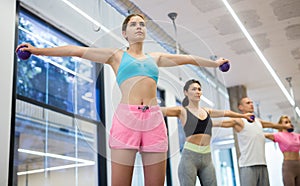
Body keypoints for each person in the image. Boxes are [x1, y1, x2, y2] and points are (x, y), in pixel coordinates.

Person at [16, 14, 229, 186]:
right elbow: (76, 51)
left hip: (154, 121)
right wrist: (37, 51)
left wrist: (215, 64)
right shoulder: (115, 56)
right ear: (124, 33)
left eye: (142, 24)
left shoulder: (155, 58)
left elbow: (188, 59)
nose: (139, 27)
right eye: (134, 24)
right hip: (127, 120)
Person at [161, 79, 254, 186]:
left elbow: (226, 112)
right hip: (190, 157)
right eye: (194, 89)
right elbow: (160, 110)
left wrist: (243, 116)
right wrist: (141, 108)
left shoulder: (207, 111)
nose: (197, 91)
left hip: (207, 157)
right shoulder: (181, 110)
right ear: (186, 92)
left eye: (199, 89)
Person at [213, 97, 293, 186]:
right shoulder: (239, 121)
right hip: (248, 166)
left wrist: (285, 127)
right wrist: (207, 123)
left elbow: (273, 125)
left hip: (262, 165)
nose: (251, 104)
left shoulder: (258, 121)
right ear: (241, 107)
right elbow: (222, 123)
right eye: (248, 103)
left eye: (251, 102)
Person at [264, 115, 300, 186]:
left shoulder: (297, 136)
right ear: (281, 125)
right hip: (289, 166)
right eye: (286, 122)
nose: (289, 124)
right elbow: (263, 135)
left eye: (290, 122)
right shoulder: (279, 135)